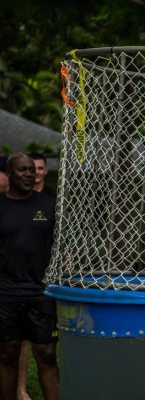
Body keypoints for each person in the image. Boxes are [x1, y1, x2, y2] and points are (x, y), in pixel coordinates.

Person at [0, 153, 59, 400]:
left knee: (46, 353)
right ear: (9, 174)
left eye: (31, 170)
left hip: (40, 291)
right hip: (6, 292)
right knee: (8, 353)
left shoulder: (48, 204)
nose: (28, 174)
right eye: (22, 170)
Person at [16, 154, 56, 400]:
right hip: (16, 283)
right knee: (15, 343)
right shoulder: (13, 200)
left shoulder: (53, 200)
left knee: (47, 350)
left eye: (40, 168)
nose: (35, 173)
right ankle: (20, 390)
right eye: (32, 168)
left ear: (44, 170)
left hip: (45, 282)